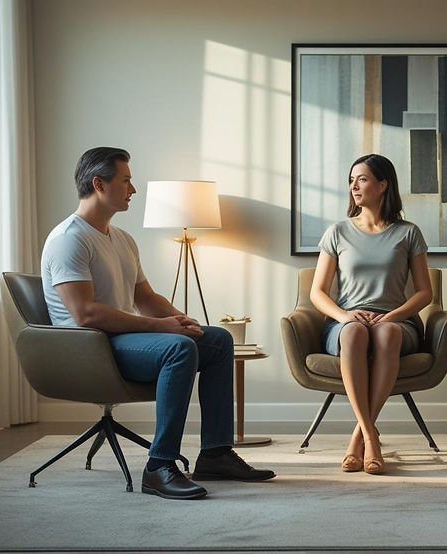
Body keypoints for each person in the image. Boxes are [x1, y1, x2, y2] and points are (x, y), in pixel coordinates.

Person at [40, 147, 274, 500]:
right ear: (99, 184)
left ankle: (215, 454)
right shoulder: (68, 239)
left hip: (119, 340)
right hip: (89, 348)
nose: (133, 189)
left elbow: (145, 297)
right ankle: (159, 466)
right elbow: (85, 314)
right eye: (126, 181)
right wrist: (164, 328)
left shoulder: (122, 239)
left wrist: (179, 319)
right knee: (178, 348)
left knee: (217, 340)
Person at [309, 153, 433, 475]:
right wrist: (343, 317)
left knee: (387, 333)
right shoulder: (337, 232)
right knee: (354, 333)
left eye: (362, 179)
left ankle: (358, 437)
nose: (354, 186)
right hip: (347, 320)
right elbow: (317, 292)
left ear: (383, 185)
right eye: (351, 180)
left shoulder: (408, 233)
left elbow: (424, 292)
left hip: (395, 320)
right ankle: (370, 436)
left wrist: (393, 316)